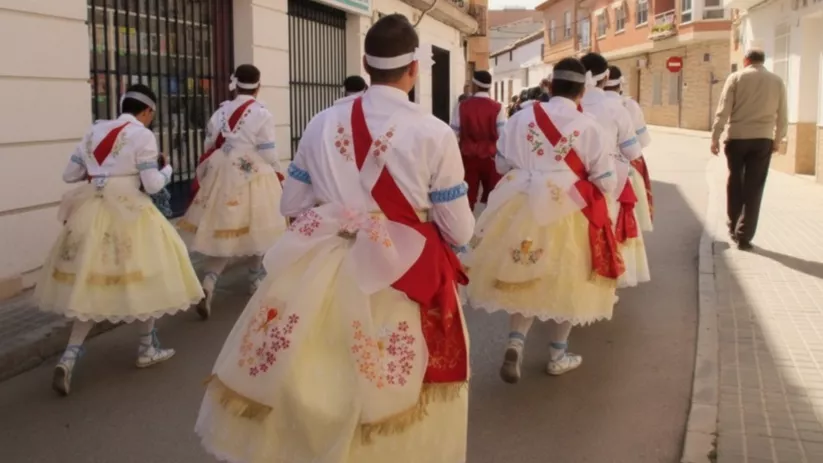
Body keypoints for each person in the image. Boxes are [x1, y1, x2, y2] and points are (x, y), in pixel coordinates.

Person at [195, 14, 475, 463]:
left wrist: (342, 212)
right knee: (388, 380)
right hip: (401, 269)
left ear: (365, 63)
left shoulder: (322, 121)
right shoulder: (435, 133)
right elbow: (459, 229)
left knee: (312, 373)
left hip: (323, 263)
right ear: (414, 68)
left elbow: (292, 205)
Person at [34, 84, 204, 396]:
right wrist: (167, 169)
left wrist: (101, 172)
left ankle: (69, 356)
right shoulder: (143, 135)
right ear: (148, 111)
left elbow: (70, 175)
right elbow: (153, 185)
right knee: (148, 273)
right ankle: (145, 348)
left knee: (89, 284)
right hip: (130, 209)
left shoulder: (93, 131)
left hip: (94, 209)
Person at [465, 58, 621, 383]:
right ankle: (557, 353)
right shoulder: (590, 126)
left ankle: (515, 342)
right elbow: (605, 180)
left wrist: (533, 170)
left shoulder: (521, 118)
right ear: (582, 91)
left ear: (550, 86)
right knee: (568, 279)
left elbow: (503, 164)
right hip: (568, 207)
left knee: (522, 273)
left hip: (519, 202)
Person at [179, 64, 287, 319]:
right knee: (260, 226)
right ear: (258, 86)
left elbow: (208, 142)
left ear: (235, 84)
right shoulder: (262, 114)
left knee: (223, 229)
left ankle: (209, 283)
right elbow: (268, 151)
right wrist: (278, 171)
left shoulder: (221, 111)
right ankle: (254, 279)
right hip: (253, 170)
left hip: (222, 167)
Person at [580, 52, 648, 289]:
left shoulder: (570, 105)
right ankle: (606, 277)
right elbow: (634, 152)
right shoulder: (617, 107)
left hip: (568, 183)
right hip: (609, 181)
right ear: (606, 76)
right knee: (607, 229)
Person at [711, 48, 788, 251]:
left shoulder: (736, 78)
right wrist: (778, 140)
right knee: (754, 188)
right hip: (763, 139)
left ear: (746, 60)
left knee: (735, 181)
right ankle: (744, 236)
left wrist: (715, 136)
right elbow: (783, 115)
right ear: (763, 61)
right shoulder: (777, 81)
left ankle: (733, 225)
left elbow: (723, 109)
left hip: (737, 138)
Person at [604, 65, 654, 232]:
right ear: (620, 83)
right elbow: (641, 143)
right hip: (625, 168)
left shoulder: (585, 104)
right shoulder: (628, 105)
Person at [451, 70, 506, 212]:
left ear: (474, 86)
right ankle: (490, 229)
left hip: (468, 158)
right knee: (494, 197)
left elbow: (453, 134)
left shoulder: (462, 106)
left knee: (467, 198)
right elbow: (503, 136)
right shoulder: (498, 108)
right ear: (489, 87)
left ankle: (467, 229)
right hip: (491, 158)